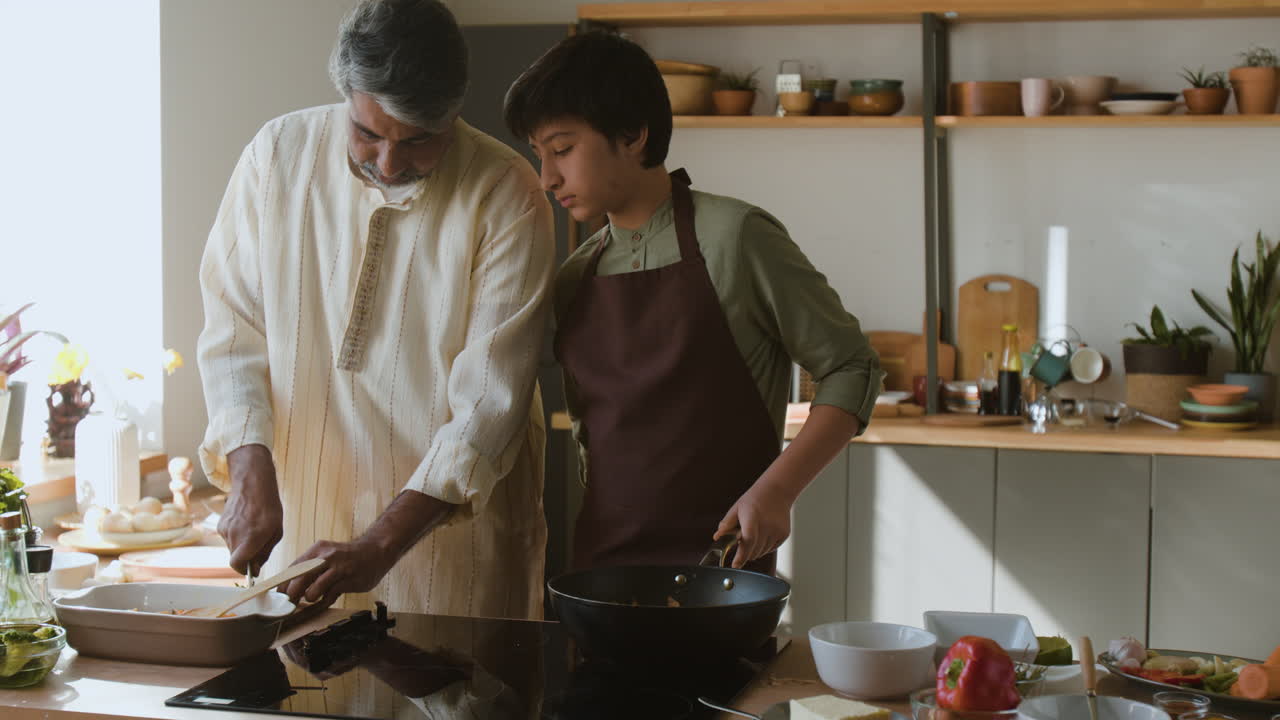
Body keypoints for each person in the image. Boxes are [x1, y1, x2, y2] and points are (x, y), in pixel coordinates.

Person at [197, 0, 555, 619]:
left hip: (451, 556)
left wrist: (381, 542)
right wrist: (249, 469)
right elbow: (233, 330)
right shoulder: (276, 156)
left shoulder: (506, 192)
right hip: (301, 533)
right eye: (368, 133)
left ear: (456, 113)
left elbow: (489, 408)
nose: (389, 163)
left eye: (419, 141)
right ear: (346, 95)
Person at [503, 32, 883, 574]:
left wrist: (779, 490)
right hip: (601, 574)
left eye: (562, 149)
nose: (547, 178)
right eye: (539, 155)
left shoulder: (737, 236)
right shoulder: (573, 279)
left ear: (633, 134)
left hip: (721, 574)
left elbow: (851, 366)